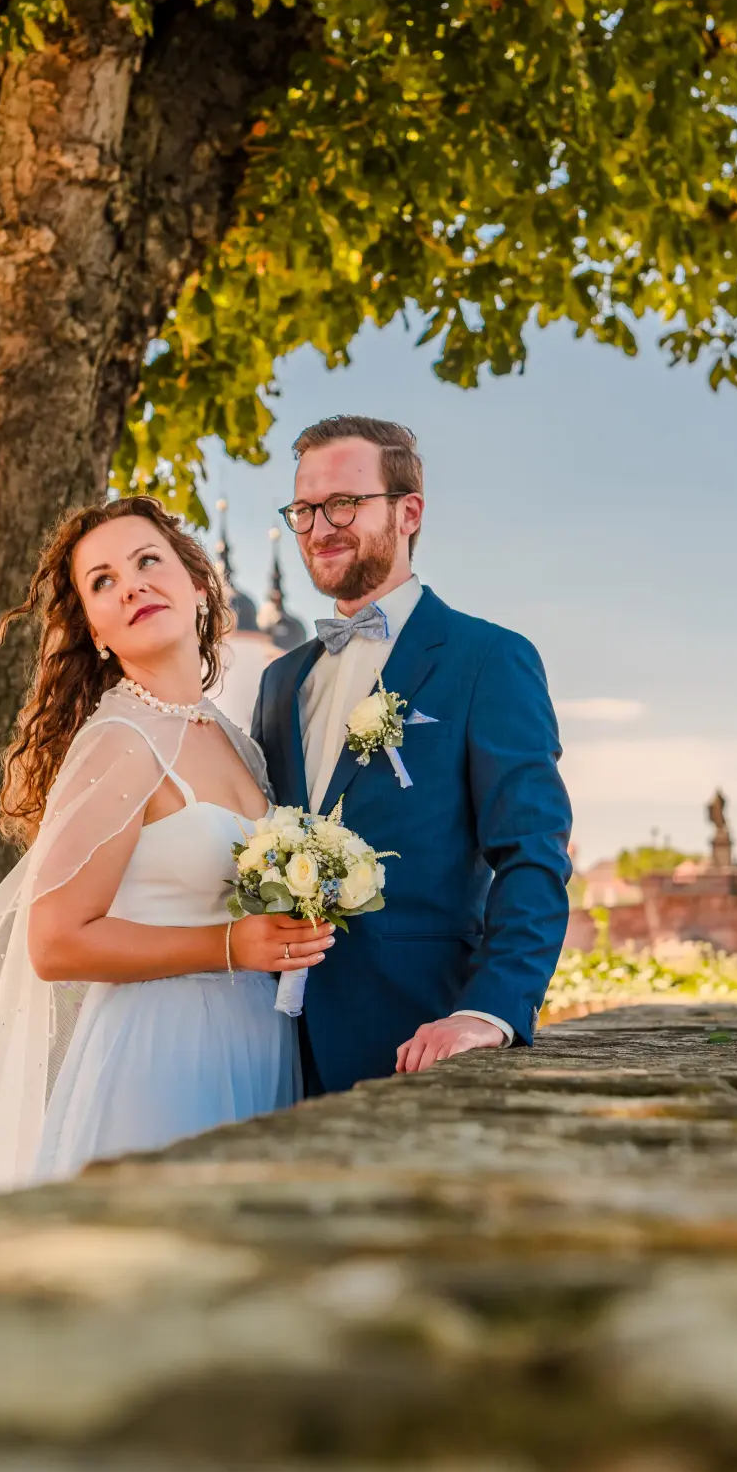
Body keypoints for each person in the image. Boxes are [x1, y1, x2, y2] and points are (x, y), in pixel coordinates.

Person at [0, 496, 330, 1201]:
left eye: (148, 561)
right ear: (94, 629)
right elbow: (56, 944)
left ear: (197, 583)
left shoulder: (234, 739)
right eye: (103, 581)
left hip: (254, 1042)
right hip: (161, 1059)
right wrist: (230, 947)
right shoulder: (121, 742)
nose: (131, 584)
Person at [252, 416, 572, 1093]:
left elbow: (533, 854)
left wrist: (487, 1011)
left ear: (408, 512)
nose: (319, 525)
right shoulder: (281, 681)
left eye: (344, 503)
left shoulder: (489, 658)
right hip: (273, 1045)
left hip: (420, 1041)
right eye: (304, 508)